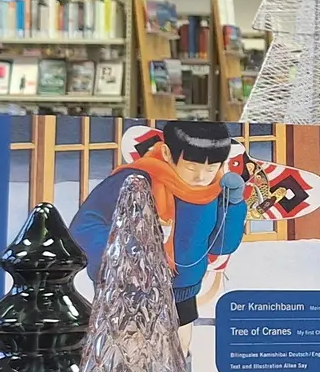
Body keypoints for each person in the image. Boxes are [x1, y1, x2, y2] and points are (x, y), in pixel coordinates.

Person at [71, 122, 249, 328]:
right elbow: (84, 226)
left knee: (180, 343)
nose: (200, 177)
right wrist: (126, 252)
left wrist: (233, 206)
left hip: (183, 290)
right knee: (130, 342)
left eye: (211, 168)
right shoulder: (134, 180)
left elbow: (221, 246)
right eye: (191, 167)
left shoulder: (215, 190)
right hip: (128, 288)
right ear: (166, 153)